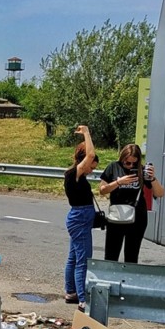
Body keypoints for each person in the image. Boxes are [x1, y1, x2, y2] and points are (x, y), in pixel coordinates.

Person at [99, 144, 165, 263]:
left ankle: (128, 279)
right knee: (111, 255)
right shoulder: (113, 167)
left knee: (132, 255)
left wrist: (153, 178)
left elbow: (160, 193)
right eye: (127, 163)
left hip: (137, 218)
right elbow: (102, 190)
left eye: (134, 163)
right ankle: (111, 279)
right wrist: (118, 182)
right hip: (117, 217)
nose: (130, 166)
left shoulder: (141, 170)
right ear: (122, 158)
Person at [63, 125, 99, 312]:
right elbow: (91, 155)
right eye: (92, 166)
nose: (93, 169)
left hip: (78, 218)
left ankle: (71, 291)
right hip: (80, 218)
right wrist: (86, 133)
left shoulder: (76, 176)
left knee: (73, 257)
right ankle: (83, 300)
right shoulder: (74, 173)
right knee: (83, 259)